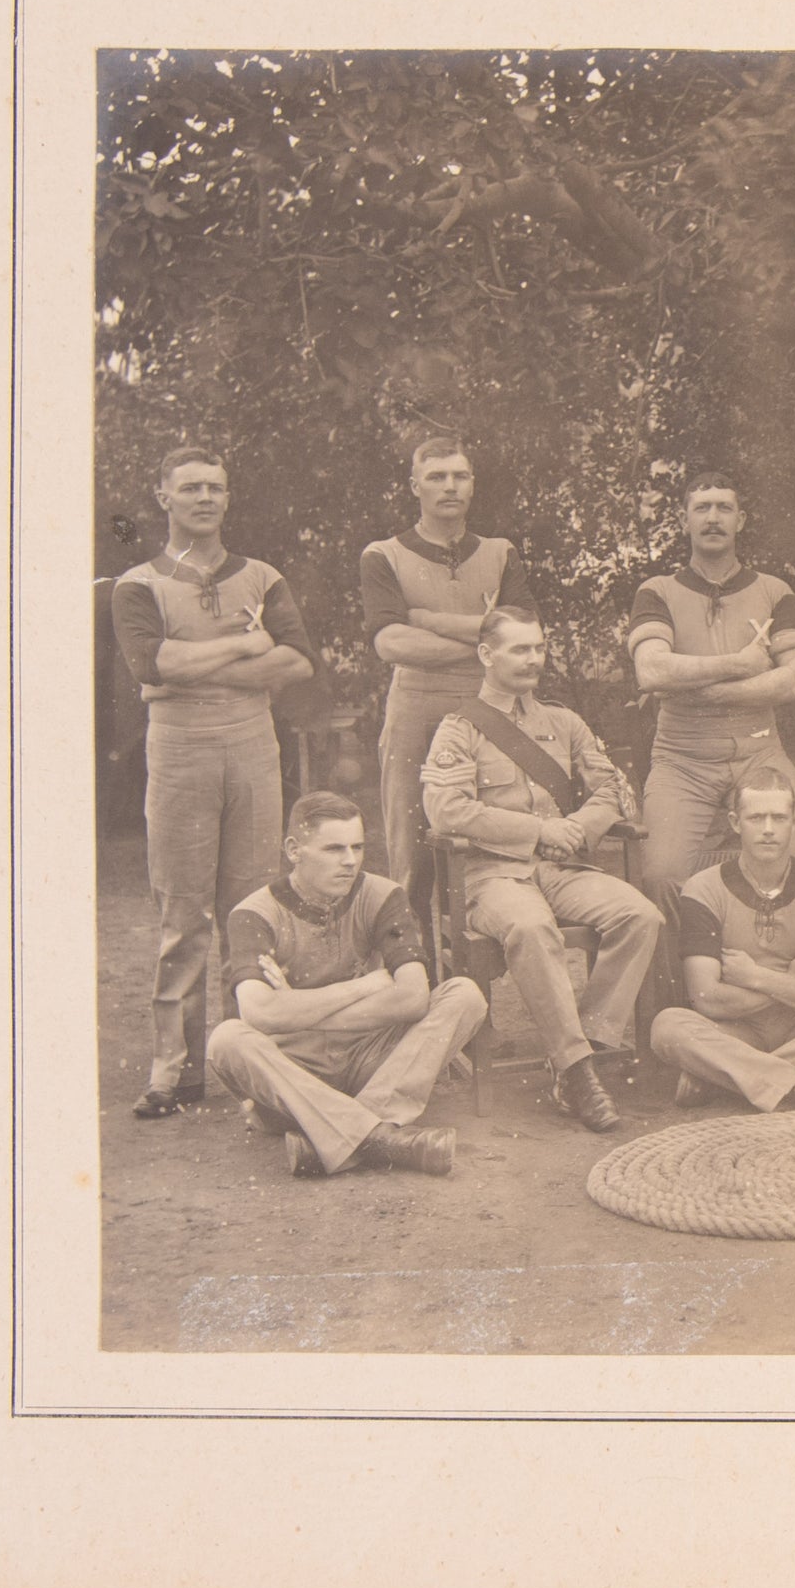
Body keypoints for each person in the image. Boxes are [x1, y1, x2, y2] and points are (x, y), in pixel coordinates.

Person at [109, 446, 317, 1119]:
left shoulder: (261, 577)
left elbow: (298, 663)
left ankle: (248, 1054)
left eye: (216, 488)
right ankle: (174, 1068)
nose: (205, 498)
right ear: (163, 496)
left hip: (252, 744)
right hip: (180, 750)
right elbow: (152, 661)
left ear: (228, 499)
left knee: (252, 904)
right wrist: (243, 646)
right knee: (182, 908)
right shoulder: (138, 584)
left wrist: (196, 665)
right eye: (191, 488)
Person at [420, 606, 664, 1133]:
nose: (534, 659)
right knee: (531, 927)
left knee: (640, 914)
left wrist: (578, 826)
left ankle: (580, 1055)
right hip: (491, 875)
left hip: (562, 868)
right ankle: (580, 1074)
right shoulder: (459, 729)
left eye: (539, 648)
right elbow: (446, 811)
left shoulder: (563, 721)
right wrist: (536, 832)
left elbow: (611, 790)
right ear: (487, 655)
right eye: (520, 649)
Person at [208, 792, 485, 1178]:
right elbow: (258, 1012)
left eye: (357, 847)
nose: (350, 861)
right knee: (227, 1039)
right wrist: (365, 986)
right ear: (294, 849)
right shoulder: (253, 914)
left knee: (465, 995)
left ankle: (337, 1136)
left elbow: (412, 998)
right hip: (294, 1072)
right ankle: (379, 1136)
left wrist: (296, 1009)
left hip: (369, 1061)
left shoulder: (383, 894)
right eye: (334, 848)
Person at [627, 472, 795, 913]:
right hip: (682, 756)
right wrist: (743, 664)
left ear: (741, 520)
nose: (713, 518)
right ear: (683, 520)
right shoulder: (657, 591)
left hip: (759, 750)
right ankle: (684, 979)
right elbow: (653, 669)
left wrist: (705, 689)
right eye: (702, 508)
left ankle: (787, 974)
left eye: (724, 508)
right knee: (661, 875)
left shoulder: (774, 591)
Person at [648, 768, 795, 1112]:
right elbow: (706, 999)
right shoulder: (702, 889)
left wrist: (757, 977)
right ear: (735, 822)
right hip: (734, 1031)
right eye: (755, 817)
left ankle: (723, 1078)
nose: (767, 830)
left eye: (778, 818)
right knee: (668, 1027)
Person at [359, 436, 536, 886]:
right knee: (413, 849)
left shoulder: (501, 552)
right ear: (415, 485)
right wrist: (489, 641)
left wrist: (427, 619)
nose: (449, 486)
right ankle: (416, 956)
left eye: (459, 476)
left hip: (493, 706)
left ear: (473, 484)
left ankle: (488, 952)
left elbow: (528, 635)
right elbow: (392, 643)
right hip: (416, 709)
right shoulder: (384, 555)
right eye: (436, 477)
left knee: (499, 838)